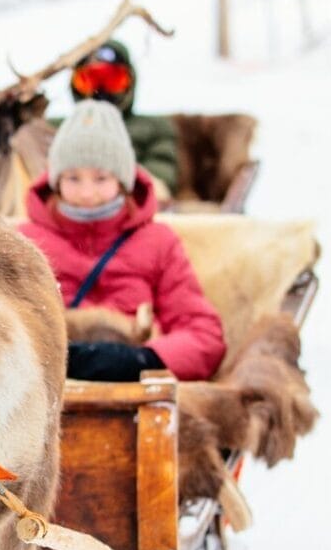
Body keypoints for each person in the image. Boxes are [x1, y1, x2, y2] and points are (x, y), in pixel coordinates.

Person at [18, 99, 226, 382]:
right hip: (45, 387)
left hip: (134, 391)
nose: (87, 192)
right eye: (73, 178)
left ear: (123, 180)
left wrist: (144, 360)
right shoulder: (25, 243)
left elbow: (204, 335)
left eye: (101, 178)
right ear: (55, 180)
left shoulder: (158, 242)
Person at [63, 39, 180, 199]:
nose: (101, 91)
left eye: (112, 80)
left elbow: (162, 179)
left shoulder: (154, 127)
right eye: (90, 81)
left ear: (130, 81)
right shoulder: (62, 130)